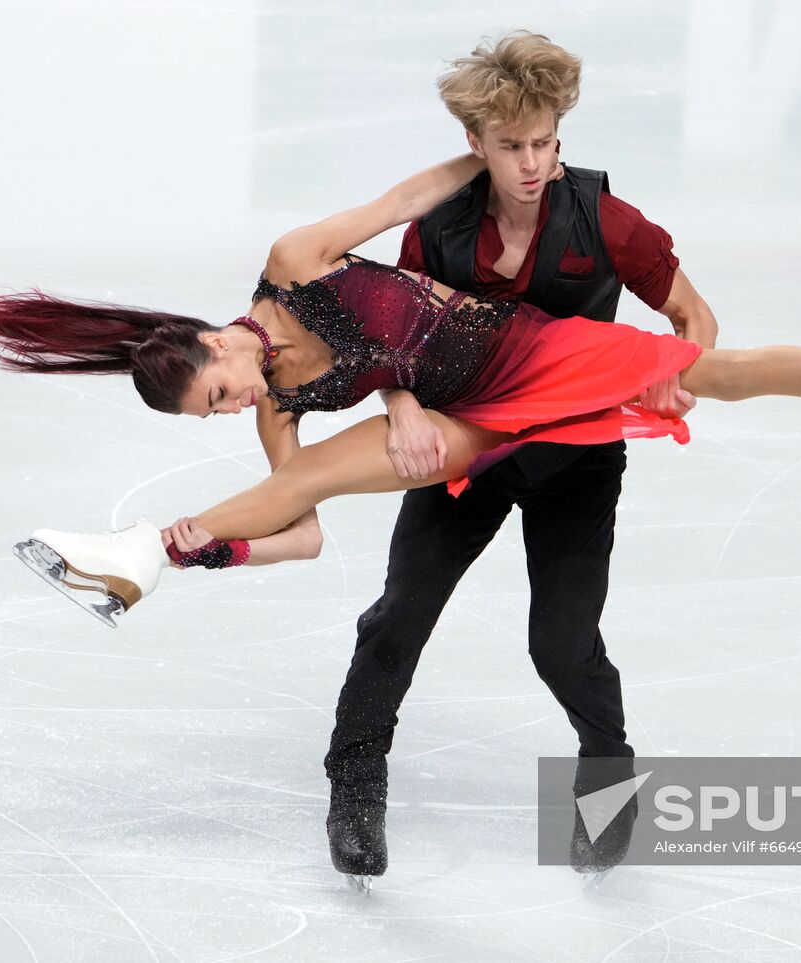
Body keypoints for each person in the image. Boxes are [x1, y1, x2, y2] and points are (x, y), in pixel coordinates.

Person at [0, 120, 801, 891]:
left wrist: (484, 145)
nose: (230, 407)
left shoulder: (296, 266)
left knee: (591, 594)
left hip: (532, 367)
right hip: (460, 431)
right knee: (377, 593)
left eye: (215, 392)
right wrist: (220, 550)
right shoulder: (276, 412)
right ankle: (180, 583)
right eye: (213, 415)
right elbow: (301, 528)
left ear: (213, 340)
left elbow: (399, 206)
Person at [321, 32, 720, 886]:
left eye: (545, 142)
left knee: (563, 644)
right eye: (512, 146)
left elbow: (694, 317)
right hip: (471, 446)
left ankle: (608, 773)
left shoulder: (606, 220)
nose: (533, 162)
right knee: (401, 613)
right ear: (476, 143)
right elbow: (395, 337)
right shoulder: (440, 226)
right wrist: (401, 407)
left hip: (576, 455)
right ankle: (354, 780)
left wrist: (670, 375)